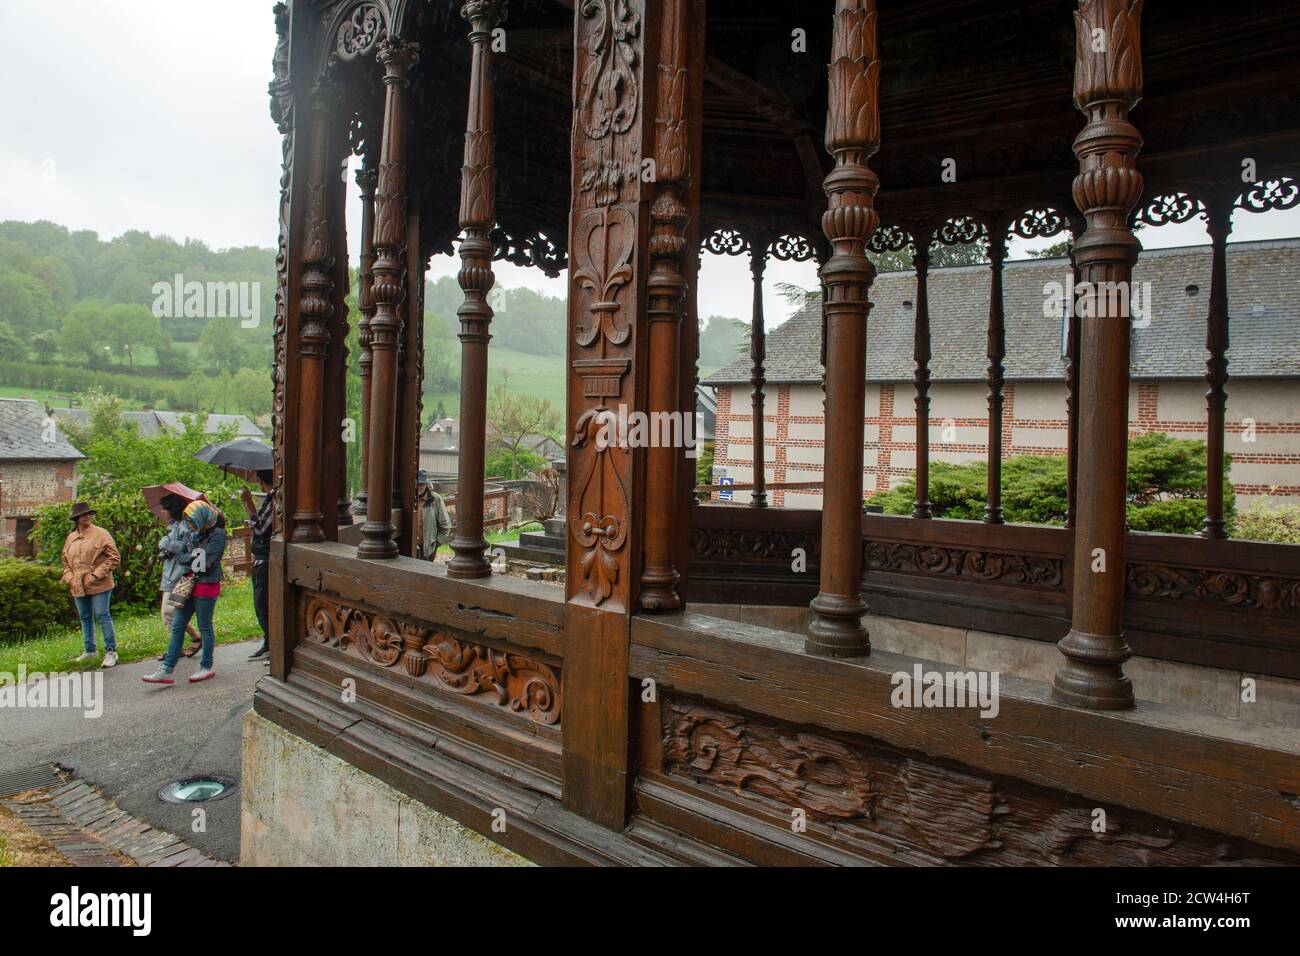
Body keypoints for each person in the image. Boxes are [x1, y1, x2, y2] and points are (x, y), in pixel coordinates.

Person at [142, 499, 227, 685]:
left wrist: (188, 558)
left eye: (192, 520)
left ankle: (206, 666)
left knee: (205, 627)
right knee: (178, 626)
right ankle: (166, 670)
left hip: (206, 585)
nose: (190, 524)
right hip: (188, 584)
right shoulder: (198, 533)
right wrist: (189, 557)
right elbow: (187, 556)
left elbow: (206, 563)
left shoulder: (218, 534)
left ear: (202, 517)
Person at [61, 501, 120, 668]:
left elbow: (114, 557)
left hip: (99, 584)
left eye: (90, 513)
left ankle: (111, 651)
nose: (88, 516)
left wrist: (96, 575)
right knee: (85, 617)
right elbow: (65, 561)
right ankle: (89, 650)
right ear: (76, 518)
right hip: (77, 585)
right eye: (84, 514)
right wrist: (69, 578)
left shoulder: (101, 534)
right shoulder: (71, 537)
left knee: (102, 614)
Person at [157, 494, 202, 660]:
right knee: (173, 614)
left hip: (179, 577)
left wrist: (169, 545)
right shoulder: (173, 526)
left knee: (168, 613)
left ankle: (177, 647)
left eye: (165, 508)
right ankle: (194, 639)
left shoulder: (185, 527)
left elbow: (191, 552)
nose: (161, 511)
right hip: (170, 577)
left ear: (172, 510)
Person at [243, 470, 274, 661]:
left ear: (262, 481)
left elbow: (262, 528)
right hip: (260, 560)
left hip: (265, 561)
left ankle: (273, 645)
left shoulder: (274, 501)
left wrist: (248, 502)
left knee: (262, 605)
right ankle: (269, 642)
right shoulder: (270, 501)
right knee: (261, 606)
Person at [417, 470, 452, 562]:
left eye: (421, 484)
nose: (418, 486)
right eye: (416, 483)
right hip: (408, 548)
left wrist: (436, 543)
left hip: (427, 550)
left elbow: (445, 525)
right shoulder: (408, 498)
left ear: (426, 484)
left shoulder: (435, 499)